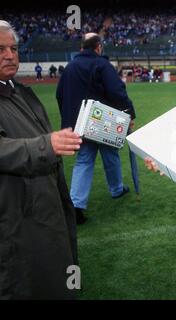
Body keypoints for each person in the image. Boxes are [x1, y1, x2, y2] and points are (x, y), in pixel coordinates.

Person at [0, 20, 80, 299]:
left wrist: (60, 141)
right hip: (16, 225)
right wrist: (48, 144)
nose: (9, 55)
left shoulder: (20, 92)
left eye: (13, 48)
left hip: (43, 216)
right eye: (0, 49)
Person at [56, 33, 136, 224]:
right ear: (98, 47)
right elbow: (117, 91)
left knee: (84, 160)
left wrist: (71, 120)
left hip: (80, 124)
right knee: (110, 154)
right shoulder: (101, 64)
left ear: (83, 47)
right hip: (103, 121)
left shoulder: (70, 67)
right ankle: (116, 189)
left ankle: (76, 205)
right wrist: (129, 113)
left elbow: (60, 95)